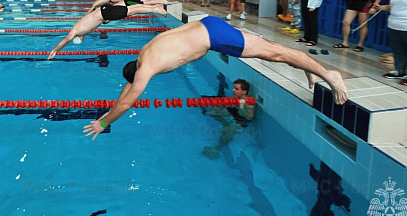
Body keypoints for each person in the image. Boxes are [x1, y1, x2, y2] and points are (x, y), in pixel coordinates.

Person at [82, 16, 349, 139]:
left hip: (214, 37)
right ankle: (308, 67)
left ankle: (329, 74)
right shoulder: (144, 53)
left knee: (275, 54)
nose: (135, 84)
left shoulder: (147, 68)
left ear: (136, 74)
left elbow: (127, 102)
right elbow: (125, 90)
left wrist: (102, 122)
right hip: (209, 23)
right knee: (271, 50)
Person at [48, 2, 168, 59]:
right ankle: (155, 7)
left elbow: (65, 41)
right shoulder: (80, 27)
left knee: (132, 11)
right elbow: (92, 21)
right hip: (104, 10)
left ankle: (156, 9)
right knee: (131, 9)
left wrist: (55, 50)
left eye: (81, 38)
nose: (83, 38)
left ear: (79, 37)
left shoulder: (76, 32)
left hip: (105, 13)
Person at [202, 79, 255, 159]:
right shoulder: (235, 97)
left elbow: (250, 116)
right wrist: (219, 108)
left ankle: (217, 149)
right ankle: (225, 123)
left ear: (244, 92)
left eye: (236, 89)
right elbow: (225, 106)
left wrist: (241, 107)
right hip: (234, 113)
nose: (233, 90)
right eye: (234, 88)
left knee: (227, 131)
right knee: (209, 112)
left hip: (241, 120)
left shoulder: (249, 103)